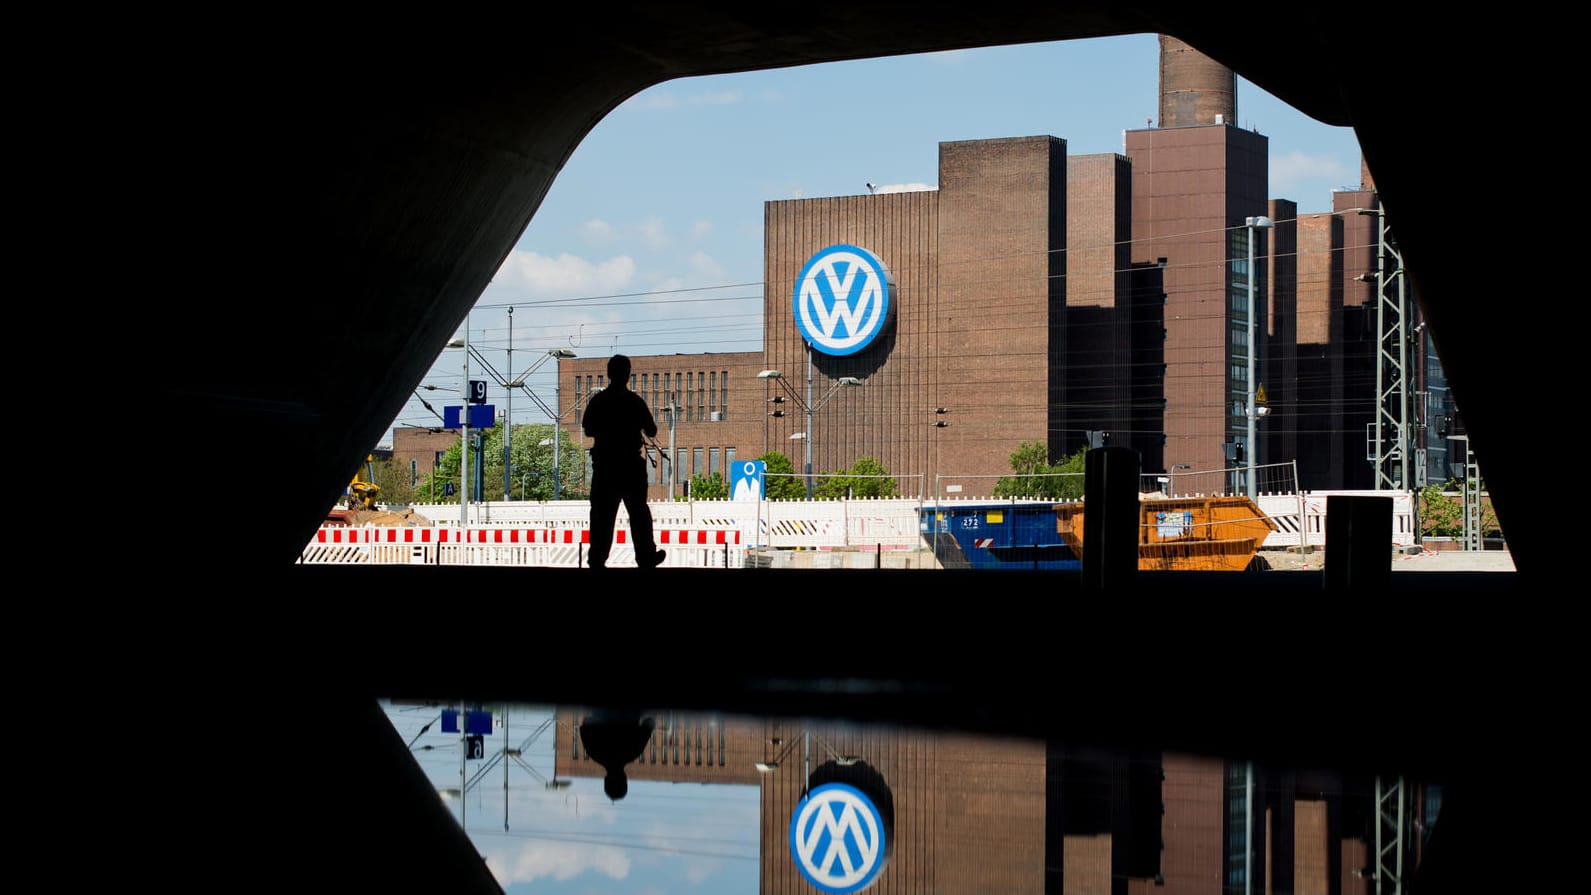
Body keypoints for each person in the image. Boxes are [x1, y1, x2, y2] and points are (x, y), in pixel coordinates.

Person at [582, 354, 666, 569]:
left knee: (602, 515)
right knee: (639, 513)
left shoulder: (598, 401)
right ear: (628, 375)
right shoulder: (635, 402)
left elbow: (589, 429)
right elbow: (652, 429)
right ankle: (646, 556)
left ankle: (597, 559)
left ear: (608, 374)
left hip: (605, 466)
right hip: (630, 466)